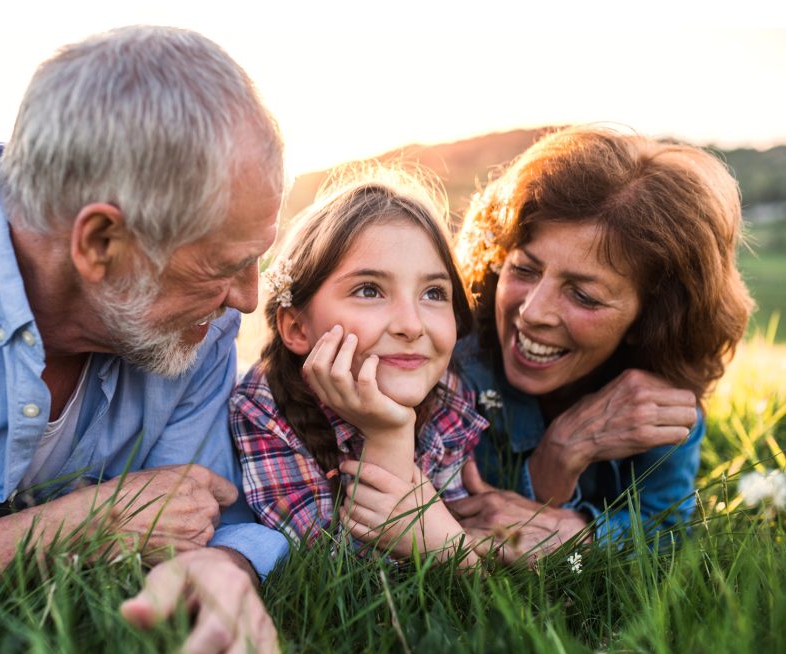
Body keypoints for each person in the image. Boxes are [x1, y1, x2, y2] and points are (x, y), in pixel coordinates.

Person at [0, 26, 290, 654]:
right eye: (225, 266)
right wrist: (79, 523)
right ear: (100, 242)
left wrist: (219, 564)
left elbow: (192, 514)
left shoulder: (196, 323)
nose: (247, 299)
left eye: (256, 262)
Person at [439, 125, 754, 560]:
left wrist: (581, 531)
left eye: (583, 295)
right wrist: (553, 467)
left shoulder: (658, 394)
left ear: (651, 320)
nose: (532, 312)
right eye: (525, 270)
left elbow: (667, 530)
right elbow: (452, 525)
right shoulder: (447, 361)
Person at [230, 166, 488, 563]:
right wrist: (388, 437)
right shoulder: (264, 412)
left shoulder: (445, 393)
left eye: (434, 293)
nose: (410, 325)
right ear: (297, 327)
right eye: (370, 290)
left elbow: (447, 532)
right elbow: (341, 584)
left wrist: (450, 542)